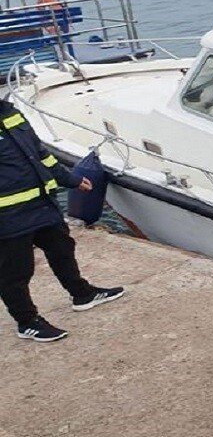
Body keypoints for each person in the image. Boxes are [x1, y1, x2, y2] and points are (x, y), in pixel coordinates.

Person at [0, 98, 124, 343]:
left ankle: (82, 294)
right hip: (8, 217)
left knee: (62, 249)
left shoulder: (10, 113)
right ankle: (27, 322)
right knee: (16, 271)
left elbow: (40, 154)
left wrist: (69, 179)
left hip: (42, 205)